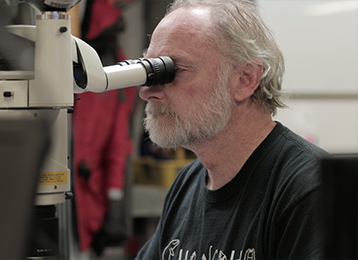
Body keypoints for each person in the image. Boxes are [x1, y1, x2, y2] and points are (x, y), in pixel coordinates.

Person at [136, 0, 328, 259]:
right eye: (151, 72)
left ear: (245, 80)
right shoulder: (187, 184)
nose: (147, 91)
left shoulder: (309, 189)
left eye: (174, 70)